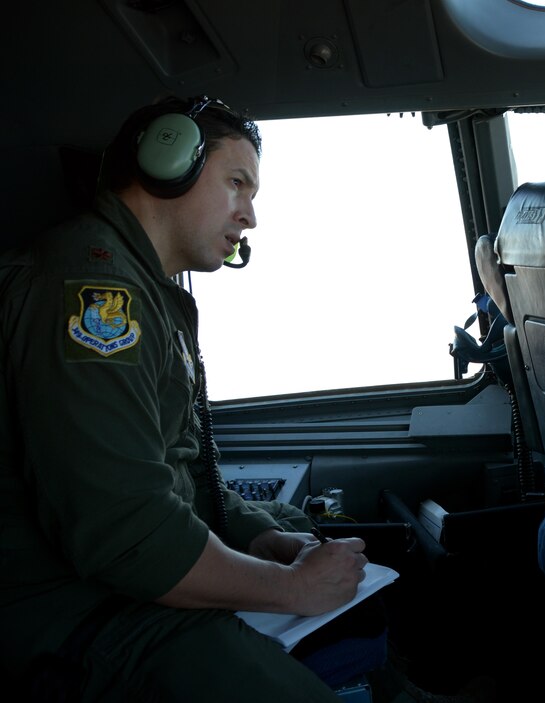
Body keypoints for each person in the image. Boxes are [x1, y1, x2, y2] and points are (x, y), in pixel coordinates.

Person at [0, 95, 381, 702]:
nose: (249, 215)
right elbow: (124, 529)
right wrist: (292, 590)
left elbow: (177, 469)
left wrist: (257, 535)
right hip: (72, 618)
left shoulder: (148, 289)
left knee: (296, 527)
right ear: (166, 159)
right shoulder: (95, 291)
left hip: (114, 594)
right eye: (237, 183)